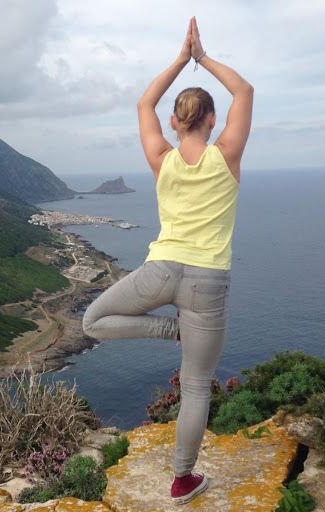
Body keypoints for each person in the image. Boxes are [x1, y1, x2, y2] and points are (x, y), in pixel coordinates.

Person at [83, 16, 253, 505]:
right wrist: (202, 57)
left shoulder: (162, 158)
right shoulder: (227, 154)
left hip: (159, 272)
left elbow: (144, 103)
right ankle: (182, 480)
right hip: (208, 283)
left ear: (175, 123)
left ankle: (166, 330)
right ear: (212, 120)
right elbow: (244, 90)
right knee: (196, 386)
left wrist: (181, 59)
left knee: (92, 322)